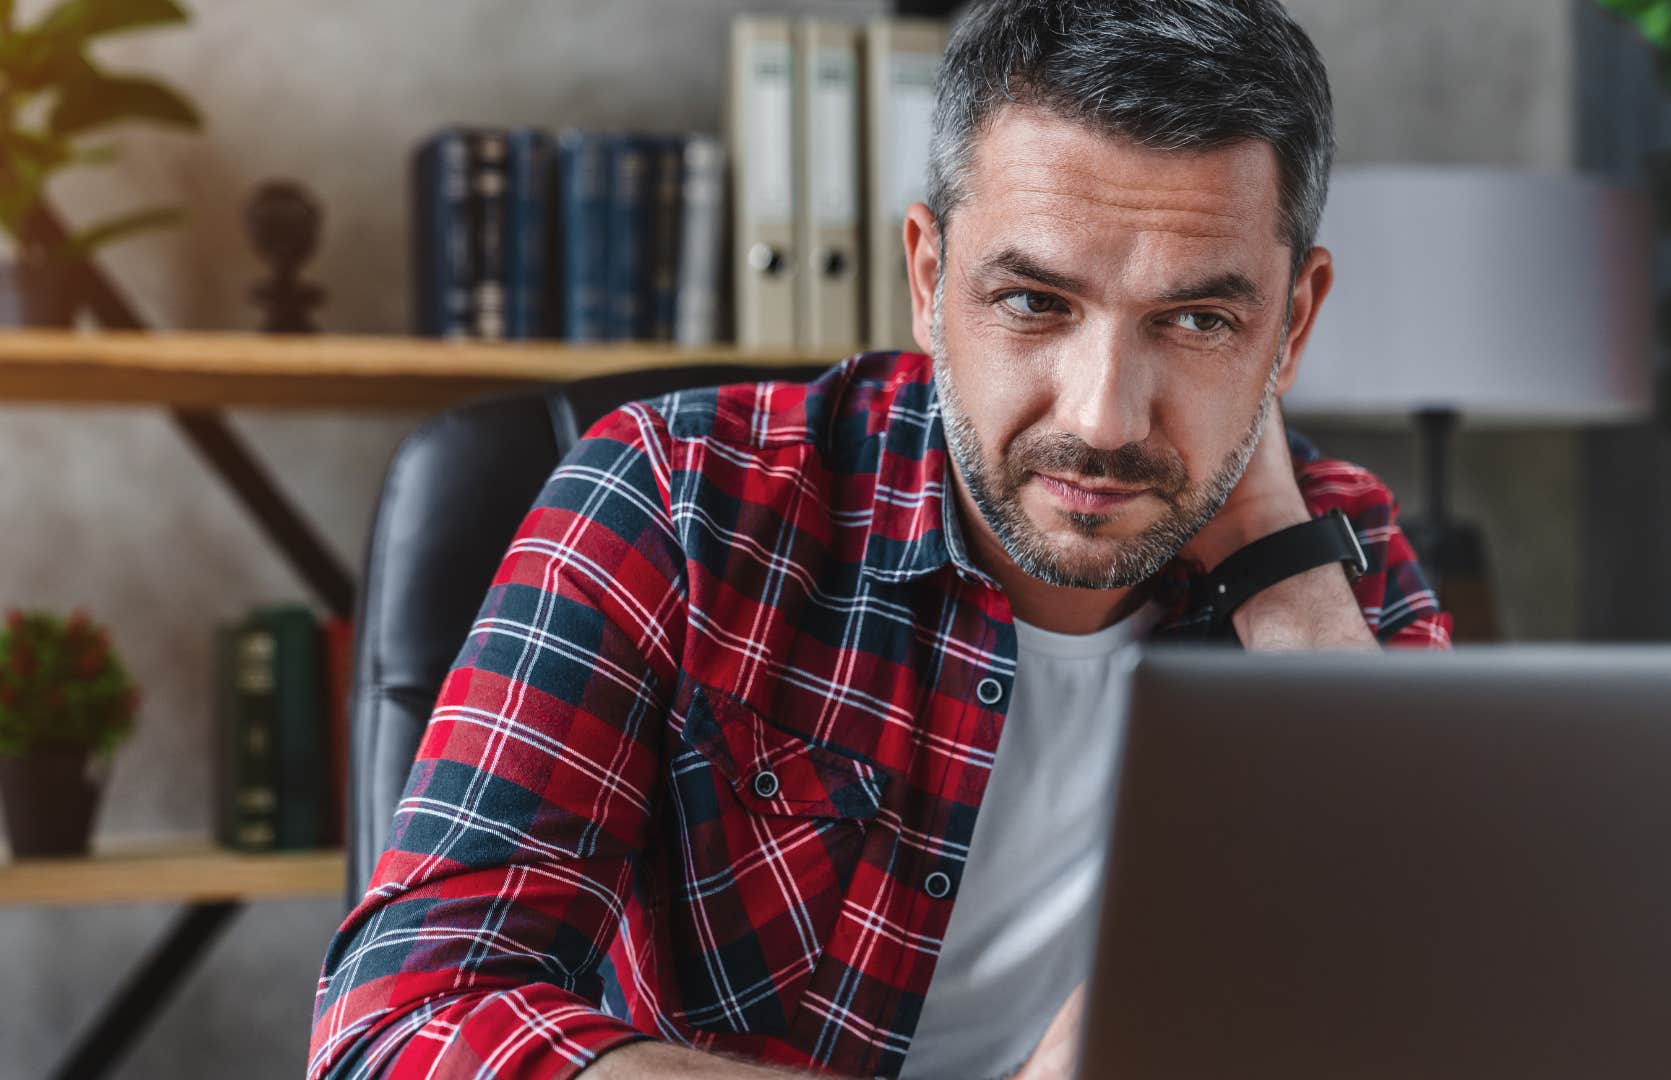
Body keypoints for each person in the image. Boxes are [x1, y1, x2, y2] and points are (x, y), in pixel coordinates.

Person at [308, 1, 1450, 1076]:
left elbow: (1452, 999)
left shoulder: (1331, 552)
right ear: (927, 275)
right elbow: (401, 1028)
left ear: (1291, 325)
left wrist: (1276, 559)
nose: (1103, 415)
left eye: (1199, 321)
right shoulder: (679, 496)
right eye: (1033, 303)